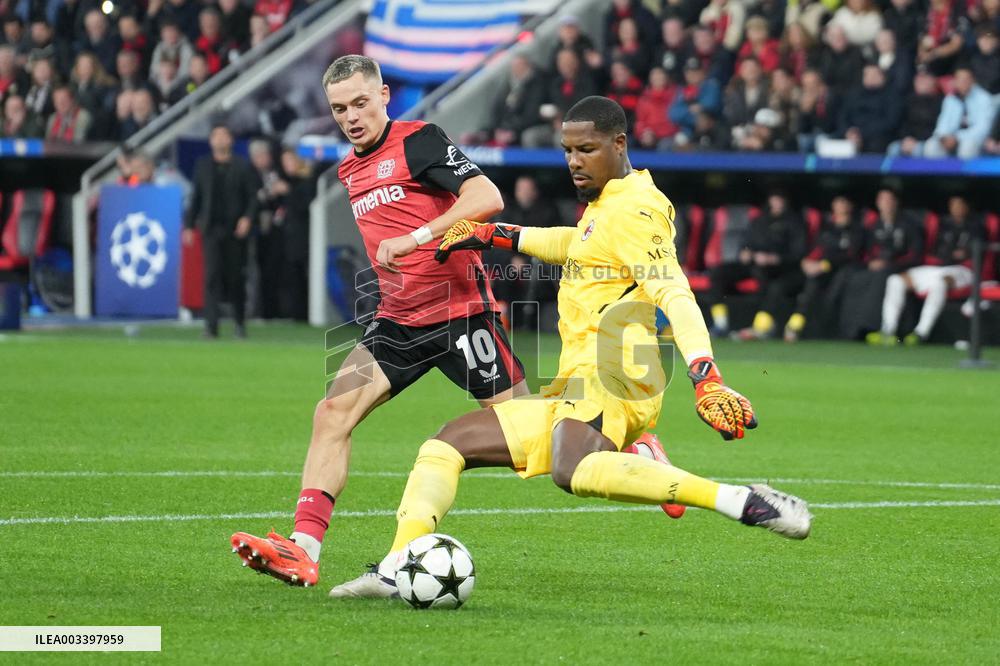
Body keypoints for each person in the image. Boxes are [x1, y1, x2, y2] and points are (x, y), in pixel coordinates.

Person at [326, 96, 810, 599]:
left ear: (619, 144)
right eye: (567, 151)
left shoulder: (636, 208)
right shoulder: (607, 207)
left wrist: (705, 375)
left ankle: (742, 499)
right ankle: (393, 569)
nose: (574, 162)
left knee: (572, 468)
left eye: (587, 149)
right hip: (578, 384)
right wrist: (493, 234)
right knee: (445, 446)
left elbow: (674, 291)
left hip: (618, 373)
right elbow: (576, 243)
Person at [229, 58, 678, 590]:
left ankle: (635, 443)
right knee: (332, 412)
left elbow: (487, 198)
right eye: (339, 109)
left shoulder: (419, 141)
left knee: (524, 430)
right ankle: (302, 550)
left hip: (461, 314)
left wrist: (418, 237)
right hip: (396, 322)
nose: (351, 117)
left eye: (360, 103)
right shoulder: (349, 169)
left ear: (384, 96)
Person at [868, 195, 983, 345]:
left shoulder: (976, 226)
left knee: (939, 283)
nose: (956, 208)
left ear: (967, 207)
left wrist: (954, 254)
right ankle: (888, 331)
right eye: (953, 205)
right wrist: (948, 254)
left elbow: (969, 253)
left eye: (960, 205)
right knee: (895, 280)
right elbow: (936, 251)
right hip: (935, 268)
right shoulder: (943, 225)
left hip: (963, 270)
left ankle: (921, 333)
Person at [183, 124, 259, 339]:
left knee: (236, 277)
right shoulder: (203, 165)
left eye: (224, 136)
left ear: (231, 141)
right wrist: (189, 225)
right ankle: (211, 326)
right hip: (211, 228)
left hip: (235, 229)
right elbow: (196, 197)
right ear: (211, 141)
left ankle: (239, 323)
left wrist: (247, 219)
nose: (220, 140)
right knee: (211, 277)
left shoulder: (242, 166)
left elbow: (252, 197)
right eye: (216, 136)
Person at [708, 191, 807, 338]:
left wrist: (774, 258)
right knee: (718, 273)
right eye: (775, 198)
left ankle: (760, 327)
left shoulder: (795, 222)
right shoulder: (760, 220)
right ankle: (721, 323)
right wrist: (745, 252)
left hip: (779, 268)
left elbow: (798, 253)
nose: (777, 202)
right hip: (753, 263)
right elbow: (746, 242)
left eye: (780, 199)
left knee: (772, 284)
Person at [839, 188, 924, 339]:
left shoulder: (910, 225)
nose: (886, 203)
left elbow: (915, 255)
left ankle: (871, 327)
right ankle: (849, 329)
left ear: (896, 202)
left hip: (899, 269)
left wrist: (891, 264)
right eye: (883, 199)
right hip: (874, 269)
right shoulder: (873, 226)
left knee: (881, 278)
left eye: (889, 199)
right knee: (853, 276)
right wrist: (871, 263)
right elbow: (863, 252)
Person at [784, 195, 865, 342]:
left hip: (839, 271)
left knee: (816, 282)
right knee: (785, 283)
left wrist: (824, 265)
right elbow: (816, 249)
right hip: (816, 269)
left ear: (850, 206)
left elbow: (851, 255)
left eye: (844, 202)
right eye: (837, 202)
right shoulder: (827, 228)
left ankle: (797, 324)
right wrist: (806, 261)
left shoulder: (856, 230)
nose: (840, 206)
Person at [922, 67, 998, 158]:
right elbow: (942, 123)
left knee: (967, 146)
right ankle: (941, 172)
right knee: (931, 146)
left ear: (973, 80)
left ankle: (967, 173)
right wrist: (943, 137)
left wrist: (957, 138)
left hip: (975, 140)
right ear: (955, 81)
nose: (963, 82)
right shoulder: (950, 99)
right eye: (960, 79)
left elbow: (983, 129)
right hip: (950, 139)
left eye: (966, 79)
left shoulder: (984, 98)